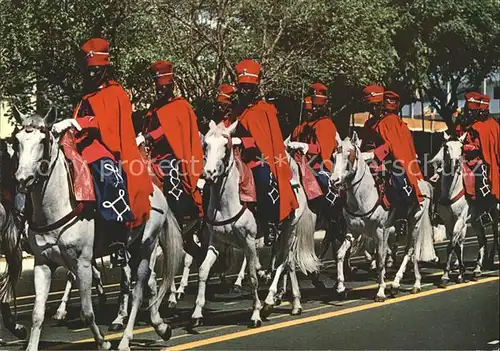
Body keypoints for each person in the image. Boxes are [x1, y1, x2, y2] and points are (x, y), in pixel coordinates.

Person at [51, 38, 153, 266]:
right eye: (90, 70)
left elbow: (107, 123)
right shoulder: (87, 96)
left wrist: (79, 123)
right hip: (80, 147)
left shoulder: (115, 92)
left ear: (105, 68)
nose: (93, 74)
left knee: (110, 177)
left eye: (97, 70)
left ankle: (117, 240)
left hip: (104, 149)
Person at [231, 58, 298, 246]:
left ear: (255, 88)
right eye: (242, 86)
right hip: (237, 160)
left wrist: (241, 141)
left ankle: (270, 224)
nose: (245, 90)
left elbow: (263, 142)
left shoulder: (265, 110)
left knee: (262, 179)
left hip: (259, 158)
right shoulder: (236, 111)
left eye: (249, 87)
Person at [137, 60, 204, 227]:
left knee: (171, 178)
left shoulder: (180, 106)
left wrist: (148, 137)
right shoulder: (154, 108)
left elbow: (169, 131)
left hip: (173, 154)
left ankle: (180, 217)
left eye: (164, 88)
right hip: (152, 155)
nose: (161, 91)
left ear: (172, 86)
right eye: (158, 88)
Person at [360, 87, 424, 232]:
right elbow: (364, 142)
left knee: (398, 181)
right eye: (371, 106)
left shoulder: (390, 121)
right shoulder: (369, 123)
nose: (374, 109)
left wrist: (373, 154)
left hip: (390, 160)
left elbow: (391, 145)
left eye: (376, 105)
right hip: (369, 161)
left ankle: (401, 216)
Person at [288, 83, 340, 211]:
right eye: (312, 108)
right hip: (300, 161)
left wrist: (305, 146)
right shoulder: (303, 126)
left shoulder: (325, 124)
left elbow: (323, 151)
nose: (313, 111)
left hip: (319, 164)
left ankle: (330, 213)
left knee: (323, 181)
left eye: (317, 107)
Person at [460, 92, 498, 227]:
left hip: (478, 160)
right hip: (462, 160)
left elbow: (482, 147)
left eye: (474, 111)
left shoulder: (484, 125)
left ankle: (484, 210)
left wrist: (468, 147)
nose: (470, 114)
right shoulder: (465, 123)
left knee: (480, 176)